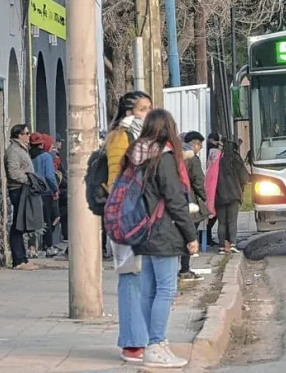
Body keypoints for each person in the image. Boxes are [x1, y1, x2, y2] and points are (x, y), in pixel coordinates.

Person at [124, 109, 199, 368]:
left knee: (148, 290)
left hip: (142, 229)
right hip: (162, 230)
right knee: (166, 289)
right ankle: (156, 344)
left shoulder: (137, 156)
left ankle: (153, 344)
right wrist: (190, 235)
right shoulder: (163, 158)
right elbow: (175, 200)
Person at [107, 91, 153, 363]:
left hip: (146, 214)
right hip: (127, 217)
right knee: (131, 276)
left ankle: (145, 337)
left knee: (146, 277)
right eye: (142, 109)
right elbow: (117, 182)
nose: (148, 113)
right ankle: (133, 342)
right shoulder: (120, 137)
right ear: (128, 112)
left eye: (149, 108)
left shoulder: (145, 138)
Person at [5, 123, 39, 271]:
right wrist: (28, 179)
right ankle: (18, 260)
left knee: (21, 223)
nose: (29, 136)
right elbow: (13, 172)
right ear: (19, 135)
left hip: (23, 188)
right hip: (18, 189)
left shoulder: (21, 149)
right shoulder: (14, 150)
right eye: (26, 133)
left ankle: (22, 258)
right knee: (18, 224)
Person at [179, 131, 210, 282]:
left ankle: (182, 268)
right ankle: (184, 269)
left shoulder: (176, 155)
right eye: (199, 145)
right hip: (190, 199)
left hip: (178, 198)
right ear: (193, 144)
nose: (200, 148)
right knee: (189, 234)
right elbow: (198, 180)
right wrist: (205, 197)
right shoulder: (192, 159)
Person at [215, 139, 248, 255]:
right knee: (232, 221)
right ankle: (233, 244)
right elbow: (244, 177)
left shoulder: (217, 158)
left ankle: (221, 246)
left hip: (219, 194)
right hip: (234, 194)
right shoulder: (235, 158)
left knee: (221, 222)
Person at [30, 132, 61, 257]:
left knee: (33, 219)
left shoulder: (29, 157)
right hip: (45, 192)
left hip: (32, 191)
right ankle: (48, 246)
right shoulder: (46, 157)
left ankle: (32, 247)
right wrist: (55, 189)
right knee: (47, 219)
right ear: (42, 144)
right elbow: (49, 176)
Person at [205, 133, 225, 246]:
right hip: (214, 184)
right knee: (213, 212)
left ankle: (206, 236)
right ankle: (207, 237)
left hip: (208, 183)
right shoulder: (217, 153)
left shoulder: (207, 151)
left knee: (209, 210)